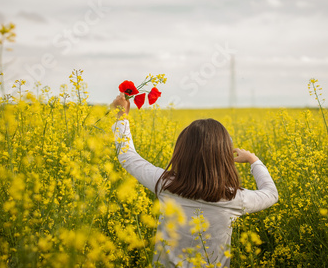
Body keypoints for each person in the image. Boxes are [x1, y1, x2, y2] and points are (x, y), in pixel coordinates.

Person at [111, 93, 279, 267]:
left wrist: (121, 117)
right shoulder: (235, 198)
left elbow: (128, 156)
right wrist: (254, 161)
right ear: (223, 156)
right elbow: (271, 194)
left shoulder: (165, 185)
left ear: (182, 153)